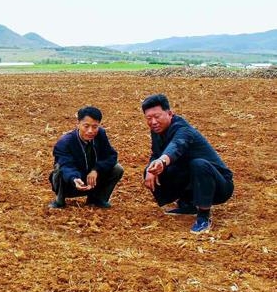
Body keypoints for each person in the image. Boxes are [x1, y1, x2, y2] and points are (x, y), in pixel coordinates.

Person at [141, 94, 233, 234]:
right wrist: (151, 166)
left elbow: (176, 146)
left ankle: (203, 217)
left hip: (219, 185)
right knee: (151, 170)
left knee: (199, 164)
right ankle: (188, 204)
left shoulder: (184, 129)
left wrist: (161, 161)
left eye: (157, 116)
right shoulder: (157, 131)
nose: (153, 122)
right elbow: (156, 152)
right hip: (193, 177)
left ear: (170, 113)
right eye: (149, 118)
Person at [49, 106, 124, 209]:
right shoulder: (65, 142)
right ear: (78, 124)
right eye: (86, 126)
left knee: (117, 168)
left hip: (92, 181)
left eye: (95, 126)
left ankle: (97, 199)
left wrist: (96, 170)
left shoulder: (100, 134)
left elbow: (111, 156)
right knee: (59, 168)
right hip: (72, 183)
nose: (90, 131)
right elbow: (66, 165)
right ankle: (59, 201)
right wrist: (74, 178)